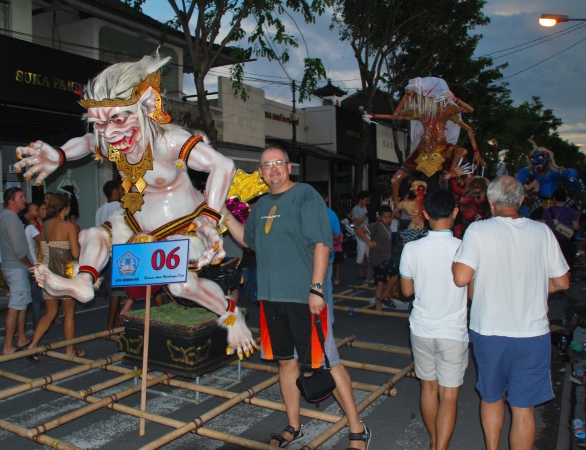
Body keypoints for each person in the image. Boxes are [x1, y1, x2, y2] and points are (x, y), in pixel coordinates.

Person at [15, 53, 255, 358]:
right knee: (93, 235)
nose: (110, 133)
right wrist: (59, 155)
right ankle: (84, 282)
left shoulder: (169, 141)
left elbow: (223, 166)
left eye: (118, 119)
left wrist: (209, 219)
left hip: (182, 224)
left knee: (181, 287)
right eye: (101, 123)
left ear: (146, 106)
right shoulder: (108, 139)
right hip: (135, 223)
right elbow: (87, 143)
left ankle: (230, 314)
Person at [223, 147, 371, 449]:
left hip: (305, 297)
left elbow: (322, 243)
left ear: (289, 167)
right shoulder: (261, 203)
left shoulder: (305, 195)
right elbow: (248, 241)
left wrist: (316, 288)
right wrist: (224, 214)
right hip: (270, 298)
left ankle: (358, 429)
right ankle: (294, 425)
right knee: (287, 364)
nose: (273, 169)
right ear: (262, 173)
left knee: (328, 362)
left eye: (279, 163)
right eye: (267, 165)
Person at [452, 176, 570, 450]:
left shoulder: (479, 231)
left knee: (492, 398)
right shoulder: (542, 232)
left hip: (490, 331)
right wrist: (536, 286)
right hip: (533, 333)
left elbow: (460, 278)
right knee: (523, 407)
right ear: (522, 200)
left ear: (490, 202)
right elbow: (562, 281)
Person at [400, 189, 468, 450]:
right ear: (455, 212)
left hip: (421, 328)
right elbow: (471, 291)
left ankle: (432, 440)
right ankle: (440, 447)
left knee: (428, 389)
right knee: (448, 394)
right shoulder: (464, 248)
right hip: (453, 331)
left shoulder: (411, 248)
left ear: (425, 214)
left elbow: (407, 292)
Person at [27, 193, 82, 361]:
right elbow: (75, 253)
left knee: (50, 313)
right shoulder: (68, 226)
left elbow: (44, 251)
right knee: (69, 313)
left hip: (49, 272)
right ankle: (70, 350)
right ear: (65, 208)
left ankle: (32, 346)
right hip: (65, 272)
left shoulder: (44, 226)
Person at [0, 188, 34, 354]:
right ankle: (7, 345)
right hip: (16, 267)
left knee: (22, 303)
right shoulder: (10, 218)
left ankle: (21, 337)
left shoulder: (9, 217)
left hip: (15, 266)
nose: (24, 200)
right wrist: (30, 266)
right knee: (16, 305)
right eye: (20, 197)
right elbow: (18, 250)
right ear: (11, 201)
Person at [95, 179, 128, 331]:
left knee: (114, 292)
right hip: (120, 253)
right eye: (121, 190)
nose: (122, 192)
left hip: (107, 253)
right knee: (117, 293)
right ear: (115, 192)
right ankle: (110, 326)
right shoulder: (121, 207)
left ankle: (116, 323)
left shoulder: (100, 210)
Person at [357, 205, 399, 311]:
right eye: (385, 217)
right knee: (396, 272)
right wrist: (369, 242)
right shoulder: (377, 226)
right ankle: (385, 295)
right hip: (378, 259)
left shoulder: (388, 228)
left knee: (381, 282)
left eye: (390, 217)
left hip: (384, 257)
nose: (388, 219)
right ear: (379, 217)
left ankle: (378, 307)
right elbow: (359, 230)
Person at [541, 188, 579, 274]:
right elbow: (576, 227)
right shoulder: (571, 211)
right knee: (567, 260)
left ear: (554, 198)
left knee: (553, 261)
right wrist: (566, 229)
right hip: (567, 240)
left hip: (552, 240)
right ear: (565, 198)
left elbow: (543, 225)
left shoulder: (548, 211)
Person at [19, 203, 43, 328]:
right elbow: (42, 241)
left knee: (23, 299)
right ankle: (37, 324)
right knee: (35, 298)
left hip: (21, 265)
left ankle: (20, 328)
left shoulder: (20, 228)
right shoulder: (30, 228)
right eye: (34, 210)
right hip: (33, 264)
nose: (37, 212)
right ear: (27, 213)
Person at [352, 191, 371, 280]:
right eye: (365, 200)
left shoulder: (364, 208)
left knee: (369, 254)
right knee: (361, 253)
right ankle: (360, 273)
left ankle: (370, 274)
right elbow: (357, 222)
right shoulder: (356, 209)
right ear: (361, 199)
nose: (366, 202)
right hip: (360, 234)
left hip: (367, 232)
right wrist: (365, 215)